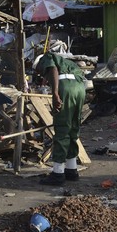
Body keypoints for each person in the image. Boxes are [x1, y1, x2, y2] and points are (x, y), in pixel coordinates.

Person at [33, 52, 86, 186]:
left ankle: (57, 174)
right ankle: (72, 170)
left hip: (66, 89)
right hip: (80, 89)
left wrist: (55, 93)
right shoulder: (66, 62)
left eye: (40, 72)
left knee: (62, 129)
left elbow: (52, 69)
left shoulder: (46, 58)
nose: (41, 74)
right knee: (73, 129)